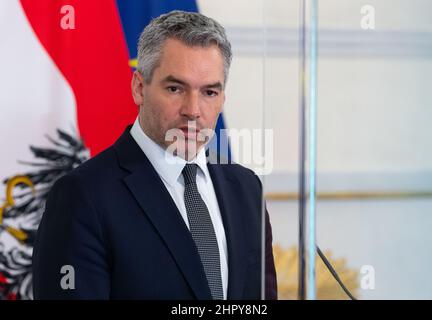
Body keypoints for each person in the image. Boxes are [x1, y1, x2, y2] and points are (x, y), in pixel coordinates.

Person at [32, 10, 277, 300]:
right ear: (139, 88)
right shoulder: (82, 195)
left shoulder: (246, 188)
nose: (193, 110)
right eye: (175, 88)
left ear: (222, 98)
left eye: (209, 92)